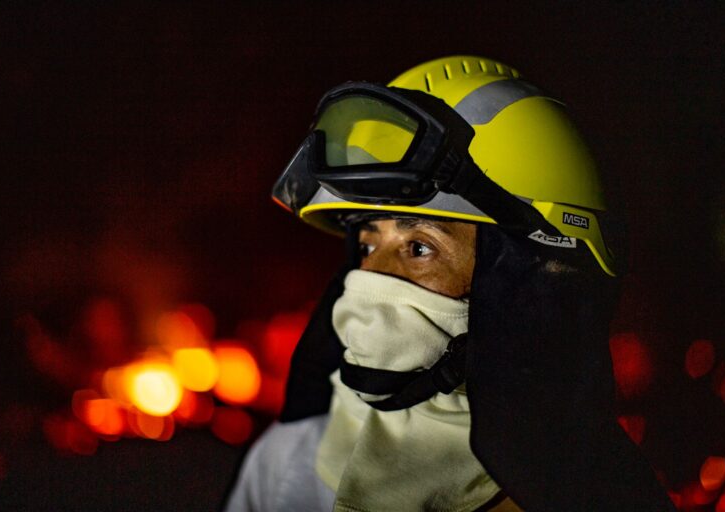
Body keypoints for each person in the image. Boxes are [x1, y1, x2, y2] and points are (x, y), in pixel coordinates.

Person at [224, 55, 676, 511]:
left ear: (538, 281)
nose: (368, 281)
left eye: (419, 248)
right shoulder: (287, 466)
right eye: (365, 247)